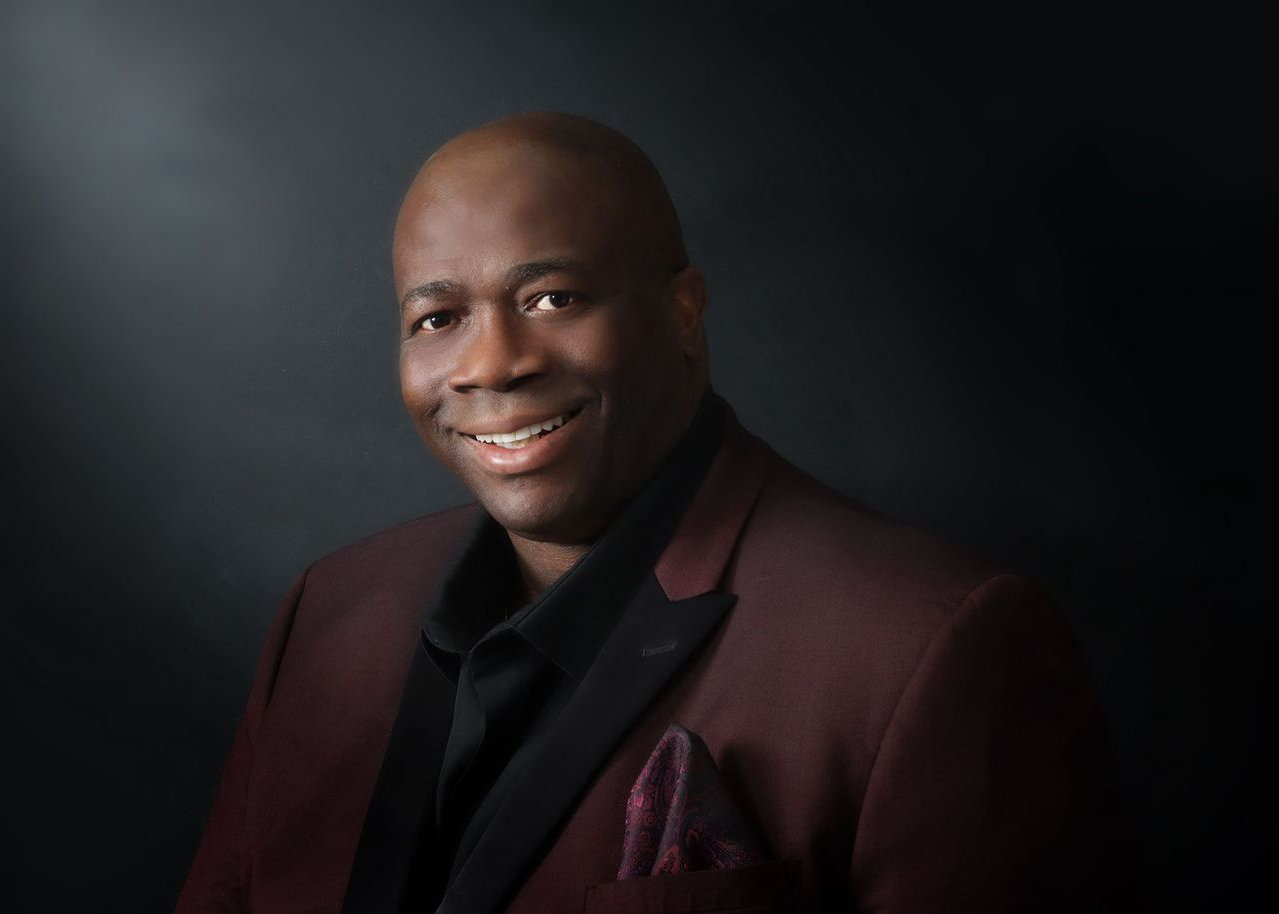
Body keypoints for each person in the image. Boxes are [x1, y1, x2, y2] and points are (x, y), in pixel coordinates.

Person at [175, 112, 1124, 914]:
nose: (491, 363)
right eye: (438, 318)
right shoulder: (326, 613)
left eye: (553, 297)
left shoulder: (932, 649)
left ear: (683, 313)